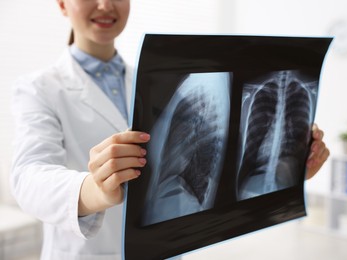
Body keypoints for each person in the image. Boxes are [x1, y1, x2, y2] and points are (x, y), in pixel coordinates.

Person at [10, 0, 330, 259]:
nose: (105, 5)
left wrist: (288, 166)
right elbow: (28, 177)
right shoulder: (38, 88)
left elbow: (216, 152)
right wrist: (93, 189)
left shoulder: (156, 78)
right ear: (63, 4)